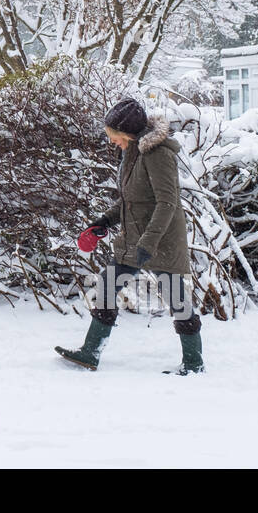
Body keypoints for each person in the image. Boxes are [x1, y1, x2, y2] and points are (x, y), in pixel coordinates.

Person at [55, 96, 205, 375]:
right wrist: (103, 222)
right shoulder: (133, 153)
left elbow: (167, 203)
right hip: (134, 238)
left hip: (161, 241)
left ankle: (194, 363)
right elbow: (130, 200)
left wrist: (148, 242)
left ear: (127, 133)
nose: (112, 141)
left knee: (176, 298)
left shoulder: (158, 154)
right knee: (108, 285)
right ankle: (90, 352)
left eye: (115, 136)